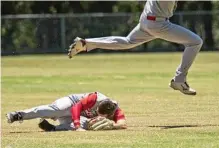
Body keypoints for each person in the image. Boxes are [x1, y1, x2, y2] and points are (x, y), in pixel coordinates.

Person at [68, 1, 203, 96]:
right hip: (158, 23)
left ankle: (86, 43)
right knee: (195, 42)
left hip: (147, 20)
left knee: (128, 42)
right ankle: (179, 80)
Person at [6, 92, 127, 131]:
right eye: (96, 110)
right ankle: (18, 115)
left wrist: (113, 125)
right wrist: (78, 126)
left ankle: (53, 129)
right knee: (55, 110)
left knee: (87, 125)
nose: (96, 112)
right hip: (70, 104)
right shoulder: (95, 98)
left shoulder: (116, 110)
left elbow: (123, 124)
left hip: (76, 116)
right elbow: (76, 108)